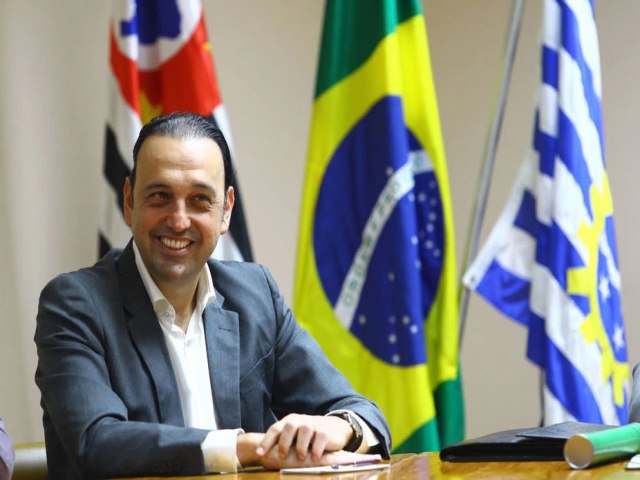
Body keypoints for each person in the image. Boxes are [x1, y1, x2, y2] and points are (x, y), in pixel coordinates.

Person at [35, 112, 391, 479]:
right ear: (129, 201)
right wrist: (247, 448)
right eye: (159, 196)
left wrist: (339, 427)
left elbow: (363, 412)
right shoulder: (76, 304)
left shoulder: (254, 294)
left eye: (200, 200)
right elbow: (96, 442)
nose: (179, 221)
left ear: (226, 211)